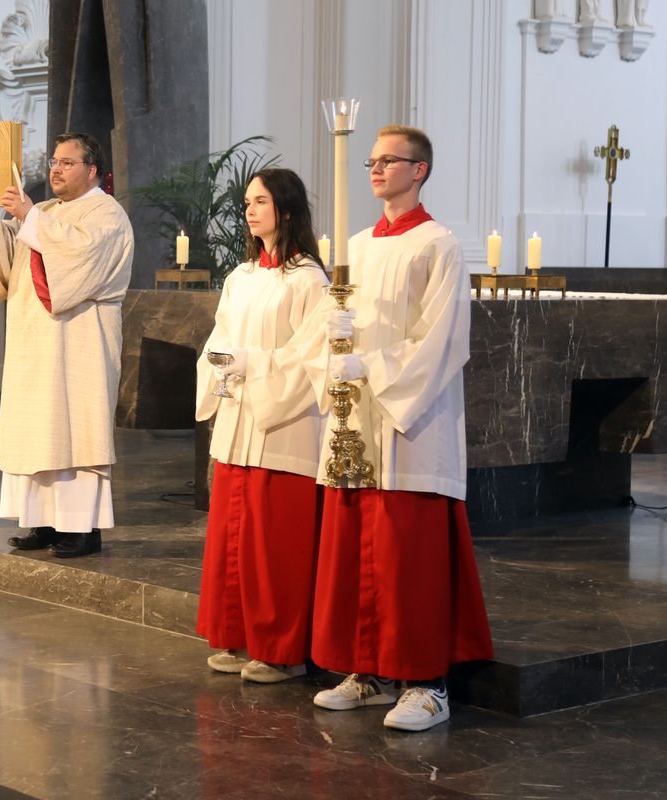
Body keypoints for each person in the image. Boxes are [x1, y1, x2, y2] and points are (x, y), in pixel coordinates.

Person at [293, 125, 493, 731]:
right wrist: (330, 355)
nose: (376, 170)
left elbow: (443, 341)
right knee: (357, 546)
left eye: (389, 161)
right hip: (357, 418)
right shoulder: (357, 244)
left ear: (420, 169)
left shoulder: (440, 245)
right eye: (371, 161)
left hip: (412, 421)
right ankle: (368, 670)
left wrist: (373, 366)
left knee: (409, 552)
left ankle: (427, 685)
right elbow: (329, 325)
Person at [0, 131, 133, 558]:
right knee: (38, 431)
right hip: (35, 343)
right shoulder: (44, 210)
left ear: (92, 170)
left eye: (67, 162)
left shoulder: (107, 214)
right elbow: (6, 254)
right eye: (54, 162)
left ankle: (80, 528)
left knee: (74, 432)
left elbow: (76, 256)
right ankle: (42, 522)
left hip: (78, 342)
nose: (56, 170)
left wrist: (29, 217)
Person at [195, 169, 329, 683]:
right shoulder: (241, 277)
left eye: (261, 202)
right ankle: (238, 635)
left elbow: (308, 356)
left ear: (287, 211)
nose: (250, 211)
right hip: (238, 421)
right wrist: (222, 367)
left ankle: (281, 650)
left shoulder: (308, 279)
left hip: (282, 424)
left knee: (273, 541)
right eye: (247, 202)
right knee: (233, 536)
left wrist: (250, 364)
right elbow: (219, 339)